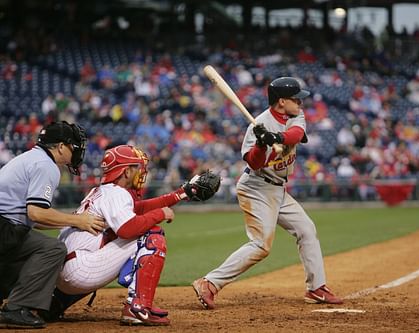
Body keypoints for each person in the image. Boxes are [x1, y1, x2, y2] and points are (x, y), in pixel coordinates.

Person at [192, 77, 343, 310]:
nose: (300, 103)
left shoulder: (295, 116)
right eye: (296, 99)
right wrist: (261, 144)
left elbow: (294, 134)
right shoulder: (258, 126)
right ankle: (209, 283)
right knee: (261, 245)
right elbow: (254, 163)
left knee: (306, 230)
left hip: (278, 189)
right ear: (281, 101)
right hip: (256, 188)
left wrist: (277, 137)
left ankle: (316, 288)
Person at [40, 145, 220, 326]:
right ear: (126, 172)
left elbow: (138, 208)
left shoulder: (103, 191)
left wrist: (181, 194)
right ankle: (138, 308)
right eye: (137, 168)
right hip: (81, 271)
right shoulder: (117, 193)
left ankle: (55, 304)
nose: (141, 172)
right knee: (151, 234)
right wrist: (160, 214)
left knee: (119, 238)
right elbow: (128, 229)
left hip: (63, 274)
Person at [0, 121, 105, 329]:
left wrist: (66, 224)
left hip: (6, 227)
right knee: (53, 249)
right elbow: (36, 213)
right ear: (60, 146)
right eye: (73, 146)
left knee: (32, 245)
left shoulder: (30, 157)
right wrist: (78, 220)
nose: (76, 151)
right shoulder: (46, 165)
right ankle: (17, 308)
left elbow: (31, 219)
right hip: (4, 229)